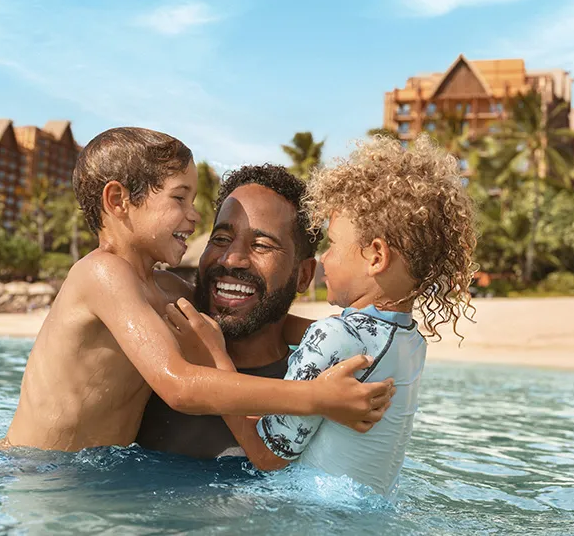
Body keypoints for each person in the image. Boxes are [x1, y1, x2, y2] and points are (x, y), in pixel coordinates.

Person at [0, 127, 392, 452]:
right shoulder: (101, 275)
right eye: (179, 198)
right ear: (118, 200)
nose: (195, 214)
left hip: (84, 477)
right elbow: (179, 385)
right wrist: (318, 399)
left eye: (195, 199)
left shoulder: (163, 288)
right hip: (33, 467)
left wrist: (351, 340)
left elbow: (255, 312)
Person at [172, 135, 477, 495]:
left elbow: (269, 456)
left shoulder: (334, 337)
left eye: (333, 244)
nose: (325, 260)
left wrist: (213, 357)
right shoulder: (412, 343)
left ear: (376, 257)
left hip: (308, 516)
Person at [137, 164, 393, 457]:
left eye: (261, 245)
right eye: (220, 239)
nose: (232, 259)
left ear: (304, 276)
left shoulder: (333, 392)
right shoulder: (155, 342)